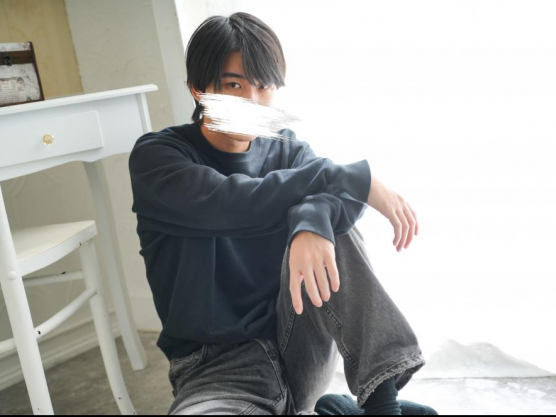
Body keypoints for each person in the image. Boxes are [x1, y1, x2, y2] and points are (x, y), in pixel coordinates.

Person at [128, 11, 438, 416]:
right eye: (235, 85)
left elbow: (330, 199)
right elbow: (234, 203)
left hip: (299, 347)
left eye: (264, 86)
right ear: (198, 89)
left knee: (329, 225)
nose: (252, 102)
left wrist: (313, 222)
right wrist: (347, 176)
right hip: (218, 371)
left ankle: (382, 407)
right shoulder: (158, 159)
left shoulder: (288, 151)